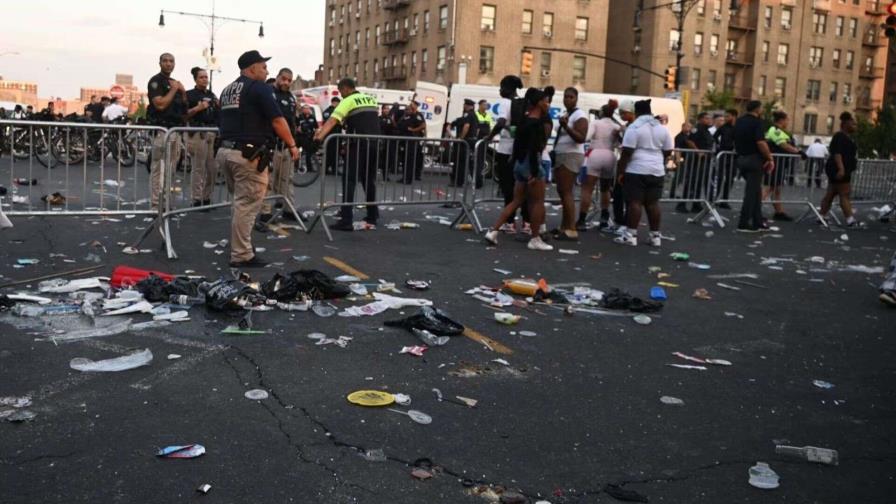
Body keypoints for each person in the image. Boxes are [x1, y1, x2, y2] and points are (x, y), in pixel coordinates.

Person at [217, 50, 299, 267]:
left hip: (226, 152)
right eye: (263, 67)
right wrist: (292, 144)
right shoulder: (259, 88)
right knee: (247, 204)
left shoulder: (227, 90)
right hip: (247, 155)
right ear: (252, 68)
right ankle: (242, 254)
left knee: (240, 203)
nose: (267, 71)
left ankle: (240, 245)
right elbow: (277, 120)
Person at [483, 87, 553, 251]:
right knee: (537, 202)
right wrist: (534, 172)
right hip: (531, 165)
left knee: (516, 200)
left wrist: (516, 162)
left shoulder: (523, 121)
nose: (547, 104)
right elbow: (535, 149)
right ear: (538, 103)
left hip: (519, 165)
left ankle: (493, 231)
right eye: (545, 101)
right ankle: (535, 238)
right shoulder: (537, 125)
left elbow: (518, 146)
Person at [313, 78, 381, 231]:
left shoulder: (349, 100)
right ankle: (372, 215)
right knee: (369, 180)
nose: (341, 95)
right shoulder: (370, 99)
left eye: (341, 92)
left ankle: (346, 219)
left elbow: (332, 121)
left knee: (349, 180)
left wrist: (319, 138)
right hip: (375, 144)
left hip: (357, 144)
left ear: (345, 89)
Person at [613, 99, 673, 247]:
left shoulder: (634, 128)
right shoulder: (662, 128)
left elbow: (627, 152)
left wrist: (620, 172)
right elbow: (667, 151)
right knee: (653, 203)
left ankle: (631, 235)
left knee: (635, 202)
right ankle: (655, 237)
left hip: (636, 169)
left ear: (637, 112)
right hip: (657, 170)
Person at [146, 52, 187, 210]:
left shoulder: (174, 83)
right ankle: (156, 205)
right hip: (162, 131)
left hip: (174, 131)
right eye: (165, 61)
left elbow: (184, 110)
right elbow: (160, 105)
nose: (168, 64)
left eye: (171, 61)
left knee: (171, 170)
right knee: (158, 169)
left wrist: (182, 92)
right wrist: (174, 89)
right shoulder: (156, 81)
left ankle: (167, 203)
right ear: (160, 63)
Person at [259, 67, 299, 224]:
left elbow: (292, 122)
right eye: (283, 78)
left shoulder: (291, 97)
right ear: (277, 77)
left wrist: (294, 143)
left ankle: (289, 209)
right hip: (271, 143)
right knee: (268, 180)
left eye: (289, 80)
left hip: (287, 145)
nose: (286, 82)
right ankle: (265, 212)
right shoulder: (268, 92)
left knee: (287, 179)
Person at [490, 75, 527, 233]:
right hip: (520, 149)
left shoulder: (505, 103)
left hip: (505, 150)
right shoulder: (524, 103)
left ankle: (510, 222)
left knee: (508, 187)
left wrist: (489, 137)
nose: (500, 90)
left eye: (501, 87)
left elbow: (501, 122)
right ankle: (527, 223)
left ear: (508, 88)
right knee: (523, 188)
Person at [552, 87, 589, 241]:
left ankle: (571, 229)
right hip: (563, 154)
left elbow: (581, 137)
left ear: (576, 98)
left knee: (566, 192)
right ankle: (564, 227)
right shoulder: (568, 114)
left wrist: (567, 127)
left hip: (571, 155)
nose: (567, 99)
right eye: (566, 97)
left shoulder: (580, 115)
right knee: (562, 191)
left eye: (571, 97)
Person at [578, 103, 621, 231]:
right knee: (605, 189)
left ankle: (581, 219)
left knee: (587, 189)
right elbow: (619, 142)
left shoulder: (595, 123)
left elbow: (586, 137)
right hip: (609, 155)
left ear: (601, 112)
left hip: (595, 154)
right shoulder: (616, 126)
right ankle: (604, 218)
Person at [734, 100, 775, 232]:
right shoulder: (757, 122)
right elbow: (761, 142)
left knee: (756, 191)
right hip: (754, 159)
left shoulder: (739, 121)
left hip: (741, 158)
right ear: (758, 109)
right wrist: (769, 157)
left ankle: (758, 221)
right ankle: (744, 222)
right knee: (751, 193)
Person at [819, 112, 860, 227]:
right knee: (844, 194)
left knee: (831, 193)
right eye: (853, 124)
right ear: (846, 124)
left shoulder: (845, 137)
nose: (854, 126)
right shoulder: (840, 137)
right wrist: (841, 169)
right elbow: (837, 153)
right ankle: (850, 220)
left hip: (838, 169)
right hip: (839, 169)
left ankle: (821, 216)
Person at [185, 67, 219, 208]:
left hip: (211, 132)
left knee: (212, 168)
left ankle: (206, 197)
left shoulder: (212, 95)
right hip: (197, 133)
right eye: (201, 77)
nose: (205, 79)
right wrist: (198, 108)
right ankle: (196, 198)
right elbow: (183, 115)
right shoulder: (189, 95)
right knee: (198, 167)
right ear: (195, 79)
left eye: (206, 77)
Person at [763, 111, 799, 221]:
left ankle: (779, 212)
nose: (788, 122)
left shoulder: (782, 131)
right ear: (782, 120)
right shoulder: (774, 130)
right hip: (774, 163)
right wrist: (798, 152)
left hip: (780, 163)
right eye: (787, 120)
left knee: (777, 189)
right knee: (768, 187)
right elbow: (783, 145)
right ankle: (753, 210)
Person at [678, 111, 713, 213]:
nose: (709, 120)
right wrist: (698, 151)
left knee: (699, 183)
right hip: (695, 161)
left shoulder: (707, 131)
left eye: (709, 118)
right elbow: (689, 141)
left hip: (704, 161)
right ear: (701, 119)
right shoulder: (696, 129)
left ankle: (696, 205)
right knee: (691, 183)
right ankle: (682, 204)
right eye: (707, 118)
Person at [609, 100, 635, 235]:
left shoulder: (634, 127)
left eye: (623, 113)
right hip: (625, 163)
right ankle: (619, 221)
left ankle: (625, 223)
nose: (622, 116)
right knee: (618, 194)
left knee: (627, 196)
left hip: (631, 165)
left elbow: (628, 148)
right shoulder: (628, 127)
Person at [449, 99, 478, 187]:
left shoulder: (468, 114)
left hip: (465, 142)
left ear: (469, 106)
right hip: (470, 141)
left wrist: (461, 138)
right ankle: (471, 181)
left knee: (460, 162)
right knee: (466, 162)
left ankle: (458, 181)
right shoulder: (473, 115)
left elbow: (466, 126)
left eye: (465, 105)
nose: (464, 106)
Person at [711, 109, 737, 208]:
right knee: (720, 177)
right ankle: (716, 199)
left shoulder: (737, 127)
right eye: (725, 116)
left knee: (730, 178)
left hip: (733, 156)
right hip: (723, 154)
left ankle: (724, 200)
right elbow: (714, 137)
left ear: (734, 117)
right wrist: (718, 146)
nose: (726, 118)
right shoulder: (723, 127)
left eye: (728, 116)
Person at [396, 100, 426, 184]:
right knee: (404, 160)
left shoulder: (416, 116)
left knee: (410, 160)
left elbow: (423, 125)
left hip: (412, 141)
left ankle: (409, 178)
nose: (406, 111)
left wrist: (413, 129)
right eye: (406, 109)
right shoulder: (404, 117)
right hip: (404, 141)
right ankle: (404, 177)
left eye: (408, 109)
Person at [669, 121, 692, 200]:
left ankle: (678, 193)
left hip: (686, 159)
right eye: (688, 126)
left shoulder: (687, 136)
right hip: (681, 160)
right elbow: (677, 149)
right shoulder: (679, 137)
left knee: (683, 178)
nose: (689, 128)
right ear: (683, 127)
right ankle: (672, 194)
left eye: (690, 127)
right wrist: (678, 160)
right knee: (679, 177)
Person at [321, 96, 341, 174]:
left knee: (336, 153)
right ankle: (326, 169)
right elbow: (328, 122)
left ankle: (334, 169)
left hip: (336, 135)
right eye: (338, 103)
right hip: (330, 135)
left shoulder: (337, 111)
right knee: (329, 153)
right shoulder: (328, 111)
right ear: (334, 103)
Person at [296, 105, 319, 172]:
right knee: (297, 152)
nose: (307, 110)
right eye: (305, 108)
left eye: (308, 108)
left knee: (309, 153)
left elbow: (316, 128)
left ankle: (309, 168)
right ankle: (296, 166)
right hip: (300, 137)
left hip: (309, 137)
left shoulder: (312, 117)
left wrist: (315, 135)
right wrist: (298, 129)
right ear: (303, 110)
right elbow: (296, 126)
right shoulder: (300, 117)